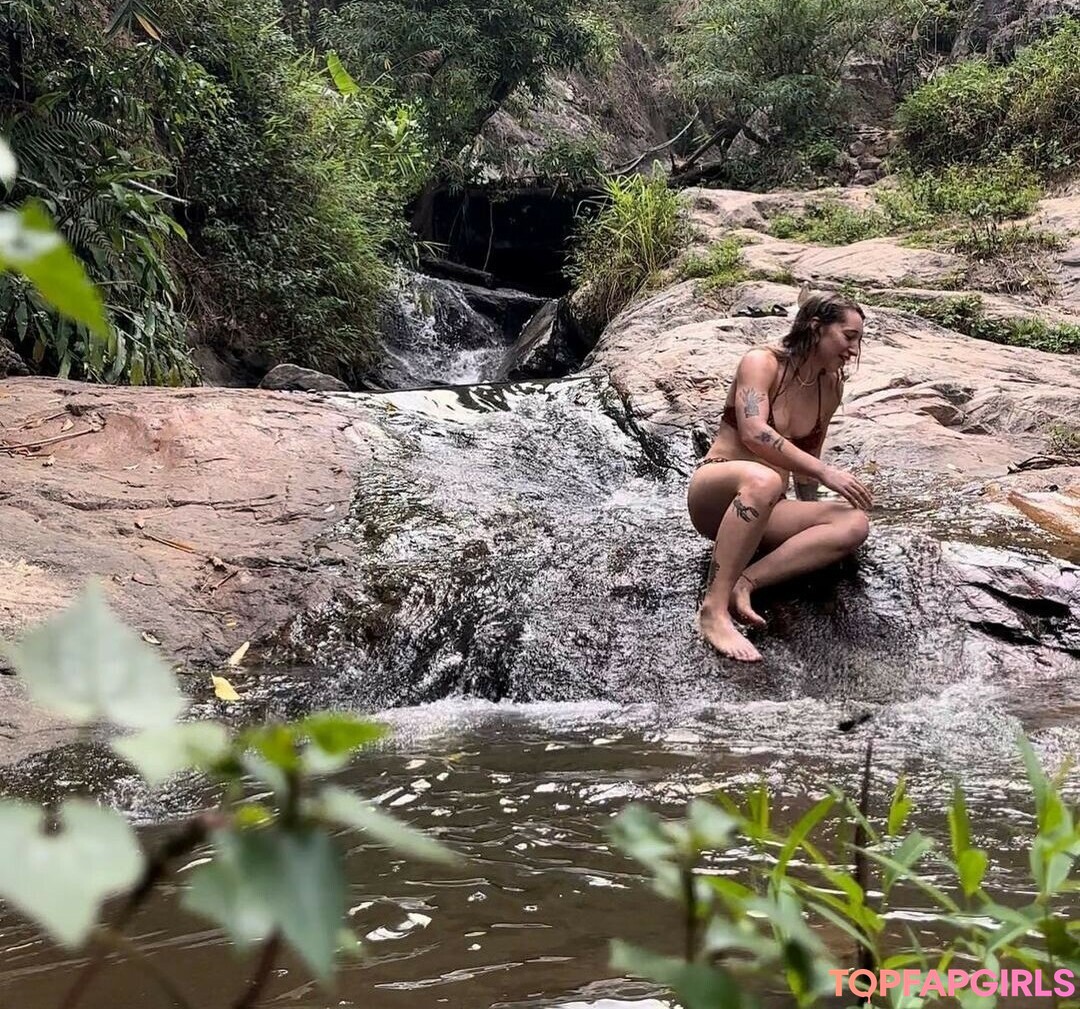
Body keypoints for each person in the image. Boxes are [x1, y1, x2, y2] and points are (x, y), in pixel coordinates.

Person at [686, 291, 873, 662]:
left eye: (859, 341)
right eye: (849, 337)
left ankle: (746, 582)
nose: (853, 350)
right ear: (816, 327)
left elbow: (808, 462)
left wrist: (815, 521)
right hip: (716, 491)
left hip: (767, 507)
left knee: (853, 522)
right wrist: (826, 472)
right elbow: (754, 432)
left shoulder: (830, 386)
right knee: (765, 480)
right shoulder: (761, 362)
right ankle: (713, 610)